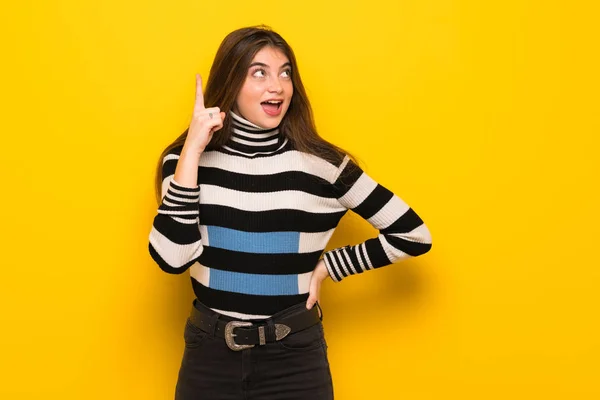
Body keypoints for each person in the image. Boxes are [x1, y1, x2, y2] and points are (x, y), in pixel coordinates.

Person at [148, 24, 432, 400]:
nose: (277, 86)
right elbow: (172, 257)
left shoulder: (323, 165)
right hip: (209, 355)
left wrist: (332, 265)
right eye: (259, 72)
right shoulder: (185, 161)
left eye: (285, 73)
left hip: (294, 359)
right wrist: (194, 151)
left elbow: (413, 234)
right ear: (230, 82)